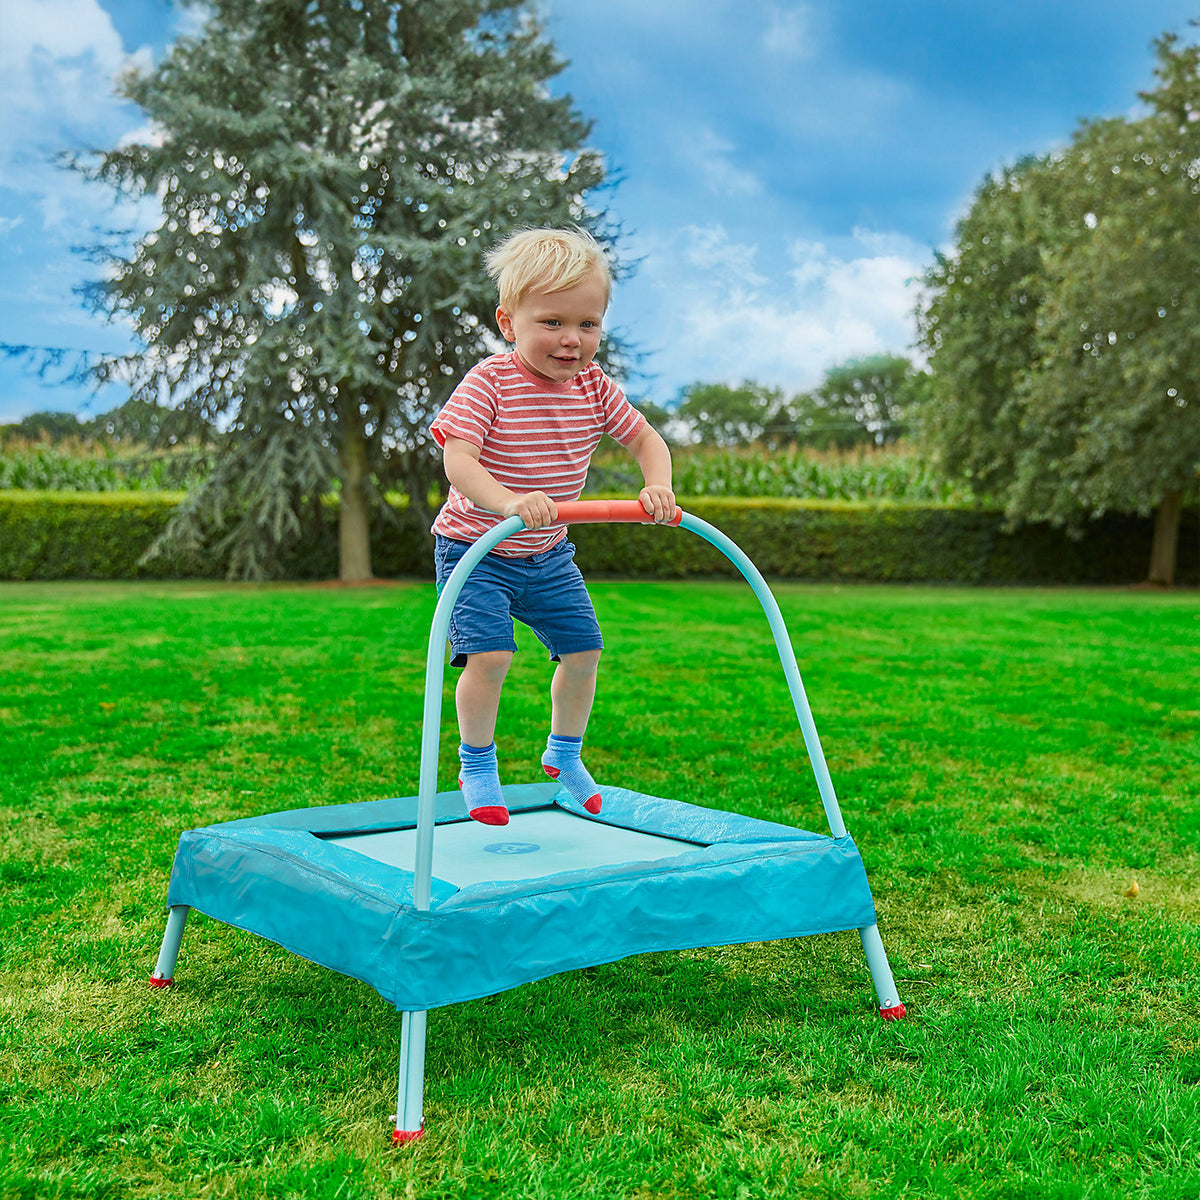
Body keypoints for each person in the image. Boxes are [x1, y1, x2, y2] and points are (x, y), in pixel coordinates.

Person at [430, 227, 676, 827]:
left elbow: (646, 438)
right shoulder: (490, 381)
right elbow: (458, 459)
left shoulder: (594, 387)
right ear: (509, 322)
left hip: (548, 553)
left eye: (588, 325)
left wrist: (658, 484)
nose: (572, 340)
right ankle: (477, 763)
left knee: (584, 651)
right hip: (474, 549)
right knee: (489, 657)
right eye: (553, 323)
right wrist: (508, 500)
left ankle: (564, 756)